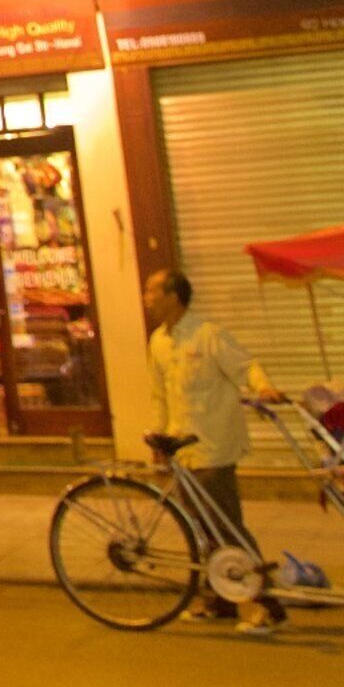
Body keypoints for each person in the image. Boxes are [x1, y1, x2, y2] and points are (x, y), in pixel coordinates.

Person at [141, 267, 286, 635]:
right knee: (198, 529)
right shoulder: (158, 342)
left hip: (214, 445)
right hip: (182, 450)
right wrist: (159, 438)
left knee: (226, 525)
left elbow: (246, 365)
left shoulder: (208, 334)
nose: (146, 298)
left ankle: (266, 603)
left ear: (173, 296)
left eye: (151, 291)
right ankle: (218, 598)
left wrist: (264, 387)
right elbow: (160, 395)